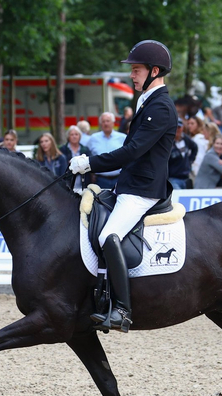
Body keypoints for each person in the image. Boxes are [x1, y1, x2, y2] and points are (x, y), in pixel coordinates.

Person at [68, 40, 177, 333]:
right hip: (128, 184)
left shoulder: (161, 107)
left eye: (137, 69)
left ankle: (122, 310)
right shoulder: (146, 101)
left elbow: (132, 151)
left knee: (108, 235)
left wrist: (89, 163)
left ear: (155, 71)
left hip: (143, 190)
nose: (132, 75)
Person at [86, 112, 128, 189]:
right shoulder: (93, 138)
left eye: (108, 121)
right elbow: (87, 155)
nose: (106, 123)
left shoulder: (123, 138)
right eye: (103, 121)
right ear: (100, 124)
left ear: (113, 123)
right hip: (99, 180)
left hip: (119, 179)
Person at [60, 125, 93, 192]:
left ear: (79, 136)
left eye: (76, 134)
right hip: (68, 181)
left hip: (83, 181)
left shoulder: (85, 150)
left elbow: (91, 163)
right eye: (72, 134)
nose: (74, 136)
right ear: (68, 137)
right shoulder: (63, 149)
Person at [168, 117, 198, 189]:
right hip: (173, 178)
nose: (177, 130)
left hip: (186, 177)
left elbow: (195, 147)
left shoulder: (185, 138)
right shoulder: (168, 141)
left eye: (179, 127)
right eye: (175, 127)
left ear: (182, 128)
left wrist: (190, 160)